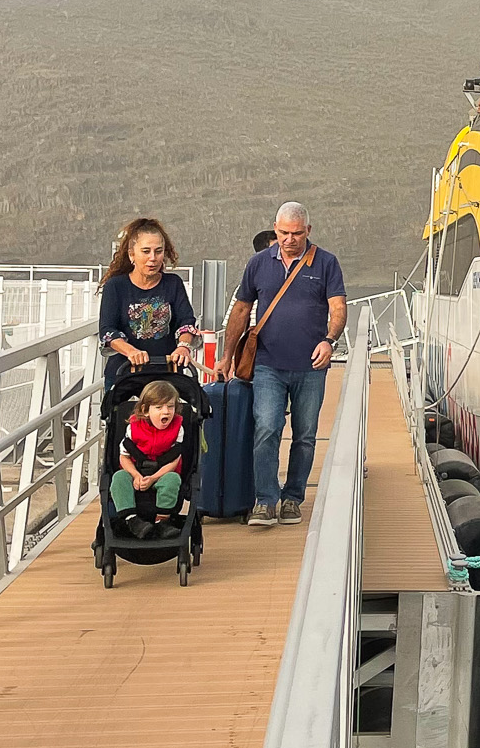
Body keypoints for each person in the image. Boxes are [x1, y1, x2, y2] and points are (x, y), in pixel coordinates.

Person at [221, 202, 346, 527]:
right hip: (267, 364)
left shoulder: (327, 263)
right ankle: (265, 501)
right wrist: (225, 356)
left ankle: (292, 498)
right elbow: (240, 310)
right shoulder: (259, 264)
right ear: (275, 230)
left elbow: (338, 308)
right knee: (267, 428)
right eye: (283, 233)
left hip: (310, 367)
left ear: (308, 230)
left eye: (296, 233)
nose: (289, 239)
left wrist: (329, 341)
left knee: (305, 435)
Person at [99, 217, 197, 385]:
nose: (153, 258)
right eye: (146, 251)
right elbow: (107, 330)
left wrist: (183, 346)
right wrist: (131, 352)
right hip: (125, 374)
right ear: (132, 255)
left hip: (167, 374)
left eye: (158, 251)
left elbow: (186, 321)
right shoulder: (115, 286)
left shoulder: (173, 283)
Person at [111, 380, 187, 540]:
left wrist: (153, 478)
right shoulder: (133, 428)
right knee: (119, 478)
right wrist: (136, 475)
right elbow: (124, 457)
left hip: (162, 472)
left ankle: (162, 522)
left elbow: (174, 461)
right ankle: (131, 520)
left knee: (173, 479)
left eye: (170, 407)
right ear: (146, 411)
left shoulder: (178, 429)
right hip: (135, 470)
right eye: (159, 408)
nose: (166, 412)